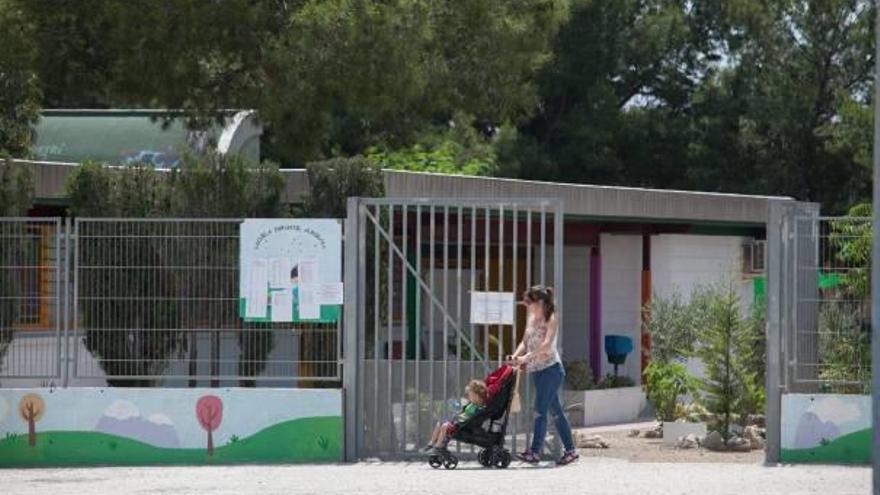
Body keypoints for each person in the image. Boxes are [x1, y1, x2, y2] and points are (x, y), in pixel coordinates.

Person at [506, 285, 579, 466]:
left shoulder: (551, 318)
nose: (526, 305)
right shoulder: (531, 318)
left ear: (539, 303)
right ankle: (571, 451)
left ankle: (534, 452)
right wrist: (516, 356)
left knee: (539, 410)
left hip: (551, 370)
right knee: (556, 412)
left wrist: (525, 358)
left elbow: (546, 345)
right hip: (536, 371)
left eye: (529, 302)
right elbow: (525, 342)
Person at [422, 379, 489, 454]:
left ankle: (438, 446)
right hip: (456, 421)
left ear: (477, 396)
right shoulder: (471, 404)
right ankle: (431, 444)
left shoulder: (478, 408)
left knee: (444, 426)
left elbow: (470, 418)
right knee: (439, 423)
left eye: (471, 395)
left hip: (460, 425)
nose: (469, 397)